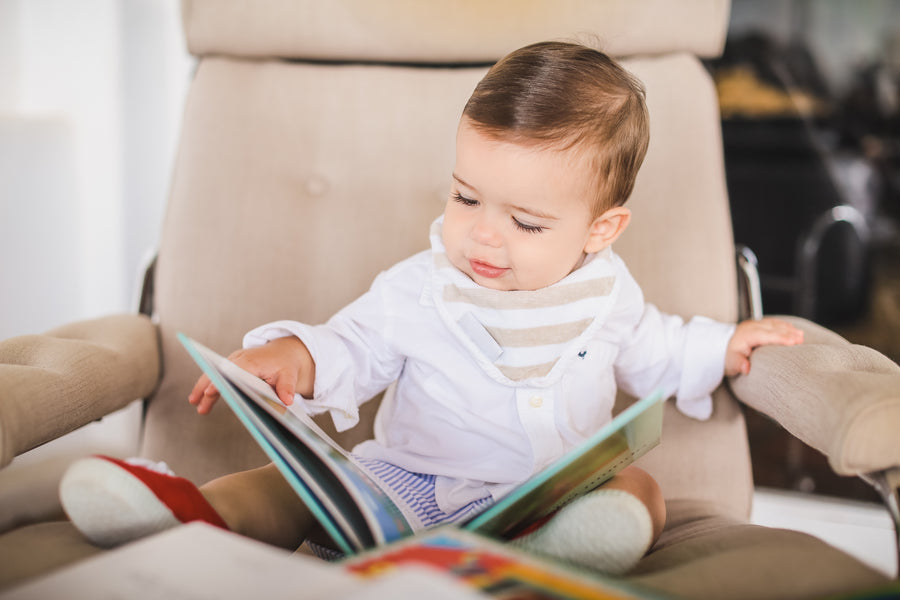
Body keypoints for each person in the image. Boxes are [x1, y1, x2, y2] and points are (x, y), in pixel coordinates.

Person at [60, 41, 803, 575]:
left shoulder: (610, 294)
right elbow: (352, 345)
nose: (482, 232)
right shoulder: (421, 285)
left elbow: (659, 350)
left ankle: (560, 552)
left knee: (640, 488)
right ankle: (183, 510)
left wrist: (725, 345)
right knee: (292, 488)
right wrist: (292, 358)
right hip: (405, 491)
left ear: (600, 231)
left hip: (546, 501)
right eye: (466, 196)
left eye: (527, 222)